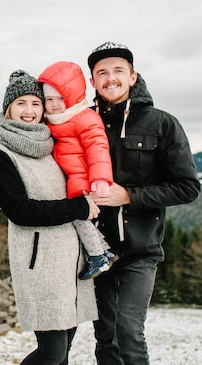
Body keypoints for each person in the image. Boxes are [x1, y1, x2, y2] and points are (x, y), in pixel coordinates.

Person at [85, 41, 201, 365]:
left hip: (141, 250)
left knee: (128, 331)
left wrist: (130, 196)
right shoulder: (84, 124)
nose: (111, 78)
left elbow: (187, 187)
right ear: (92, 80)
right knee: (104, 336)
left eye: (118, 71)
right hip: (97, 250)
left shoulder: (163, 124)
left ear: (133, 77)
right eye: (102, 72)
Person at [0, 69, 99, 365]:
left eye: (36, 104)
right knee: (52, 353)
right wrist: (79, 208)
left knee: (62, 356)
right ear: (8, 107)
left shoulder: (53, 145)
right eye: (21, 103)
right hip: (39, 266)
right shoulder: (0, 154)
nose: (29, 111)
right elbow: (20, 211)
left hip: (71, 262)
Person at [38, 61, 117, 280]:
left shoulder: (84, 118)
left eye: (60, 99)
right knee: (81, 217)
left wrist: (100, 179)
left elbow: (98, 147)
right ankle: (106, 251)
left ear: (71, 97)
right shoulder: (54, 121)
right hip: (71, 176)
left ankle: (97, 256)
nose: (54, 105)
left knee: (78, 216)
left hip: (83, 177)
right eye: (49, 100)